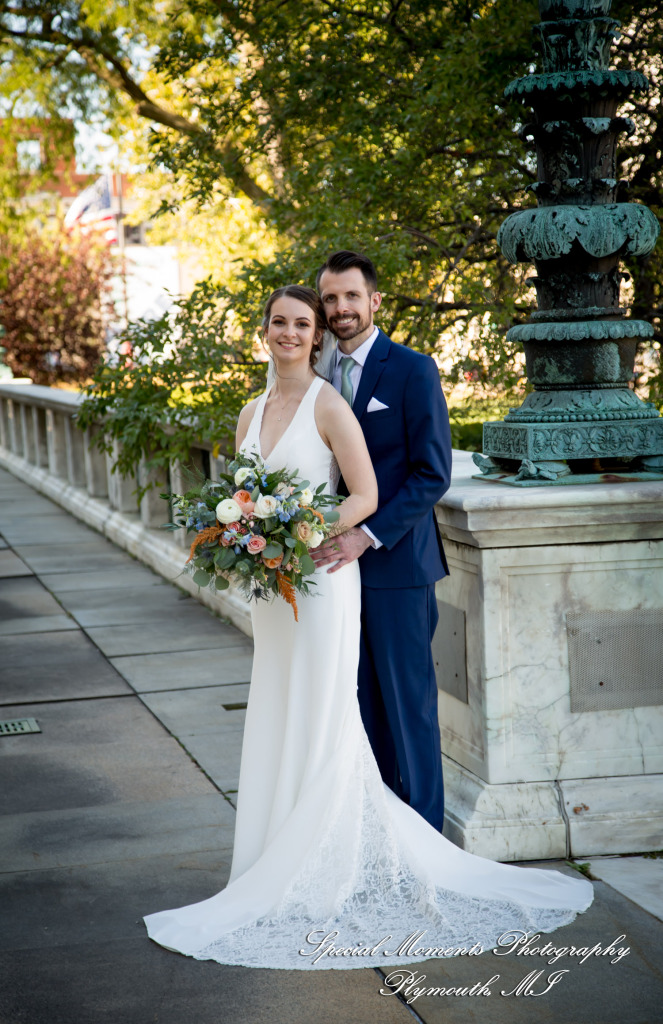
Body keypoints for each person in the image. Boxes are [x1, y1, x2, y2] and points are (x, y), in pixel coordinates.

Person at [143, 284, 593, 970]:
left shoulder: (329, 404)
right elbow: (239, 493)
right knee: (279, 705)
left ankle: (326, 864)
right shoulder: (248, 411)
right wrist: (245, 535)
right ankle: (273, 851)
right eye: (278, 323)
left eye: (302, 323)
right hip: (275, 590)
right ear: (263, 332)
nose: (289, 333)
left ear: (318, 335)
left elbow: (365, 494)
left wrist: (299, 529)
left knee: (326, 715)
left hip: (321, 579)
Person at [311, 250, 450, 834]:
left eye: (350, 296)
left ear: (374, 301)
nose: (341, 308)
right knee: (358, 708)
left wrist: (366, 535)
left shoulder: (413, 370)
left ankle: (428, 843)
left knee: (408, 709)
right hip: (334, 573)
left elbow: (432, 473)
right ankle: (381, 836)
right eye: (331, 299)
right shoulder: (319, 378)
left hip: (397, 567)